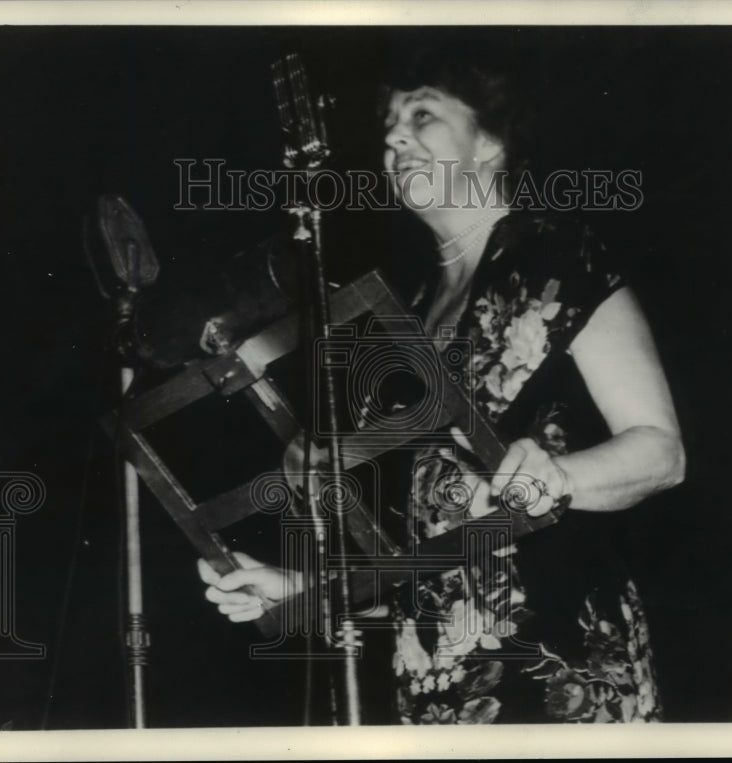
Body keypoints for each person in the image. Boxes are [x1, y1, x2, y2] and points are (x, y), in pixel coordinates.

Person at [198, 47, 684, 724]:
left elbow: (662, 452)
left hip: (558, 661)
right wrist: (300, 589)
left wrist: (561, 476)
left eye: (422, 115)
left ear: (490, 144)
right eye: (389, 121)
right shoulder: (411, 310)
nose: (394, 135)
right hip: (436, 682)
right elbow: (420, 547)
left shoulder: (558, 256)